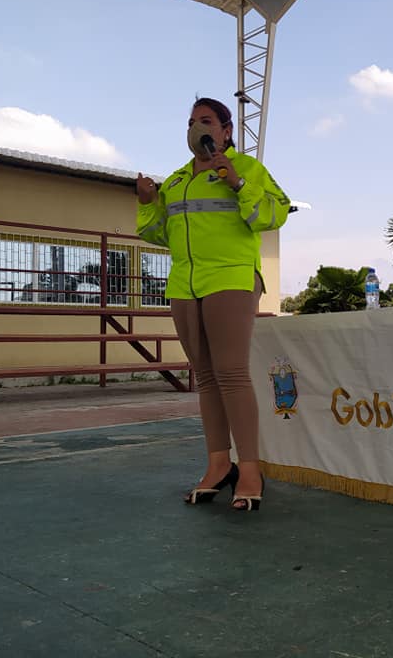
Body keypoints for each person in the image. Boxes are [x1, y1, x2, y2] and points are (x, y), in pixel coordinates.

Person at [136, 97, 290, 511]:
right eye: (191, 122)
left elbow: (274, 215)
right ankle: (219, 465)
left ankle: (251, 470)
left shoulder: (248, 168)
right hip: (185, 284)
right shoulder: (176, 181)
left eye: (205, 121)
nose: (196, 128)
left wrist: (237, 183)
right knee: (204, 377)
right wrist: (147, 202)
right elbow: (158, 234)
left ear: (226, 130)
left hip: (231, 278)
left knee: (232, 374)